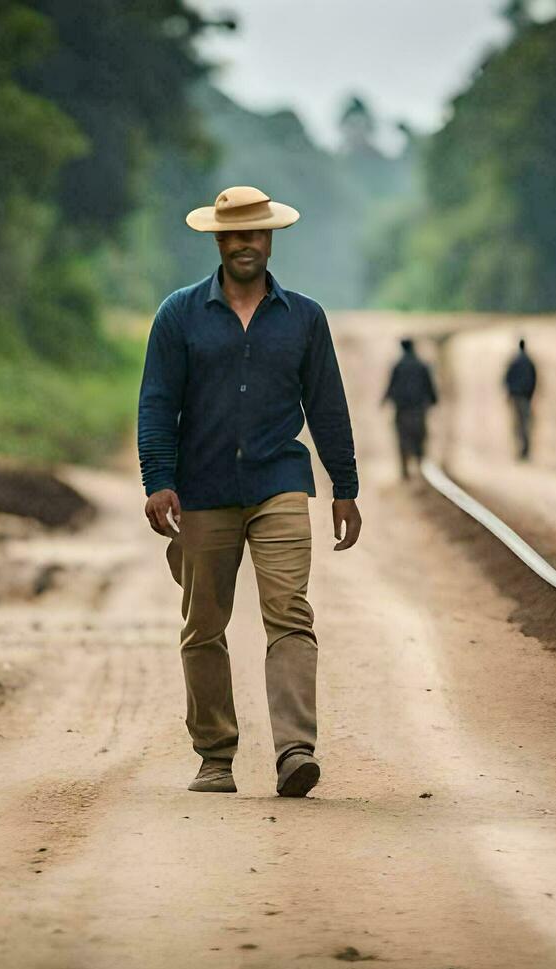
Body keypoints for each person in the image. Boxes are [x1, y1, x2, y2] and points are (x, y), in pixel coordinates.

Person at [137, 185, 362, 798]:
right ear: (218, 239)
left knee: (289, 613)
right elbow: (157, 404)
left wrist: (345, 484)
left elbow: (328, 405)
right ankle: (215, 755)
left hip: (279, 484)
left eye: (256, 233)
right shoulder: (179, 315)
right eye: (235, 234)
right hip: (202, 491)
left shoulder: (305, 318)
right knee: (203, 625)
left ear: (269, 239)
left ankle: (295, 751)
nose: (246, 244)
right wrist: (158, 480)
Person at [382, 337, 438, 479]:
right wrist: (433, 400)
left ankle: (405, 470)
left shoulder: (399, 366)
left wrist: (384, 401)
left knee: (403, 438)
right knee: (419, 436)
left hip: (403, 410)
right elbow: (429, 386)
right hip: (418, 409)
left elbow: (391, 386)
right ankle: (420, 466)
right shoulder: (422, 365)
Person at [503, 337, 538, 461]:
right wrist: (531, 393)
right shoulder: (528, 362)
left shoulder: (515, 361)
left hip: (517, 395)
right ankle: (524, 450)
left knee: (519, 424)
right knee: (524, 423)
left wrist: (509, 392)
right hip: (524, 396)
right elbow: (534, 379)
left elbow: (507, 378)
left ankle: (522, 449)